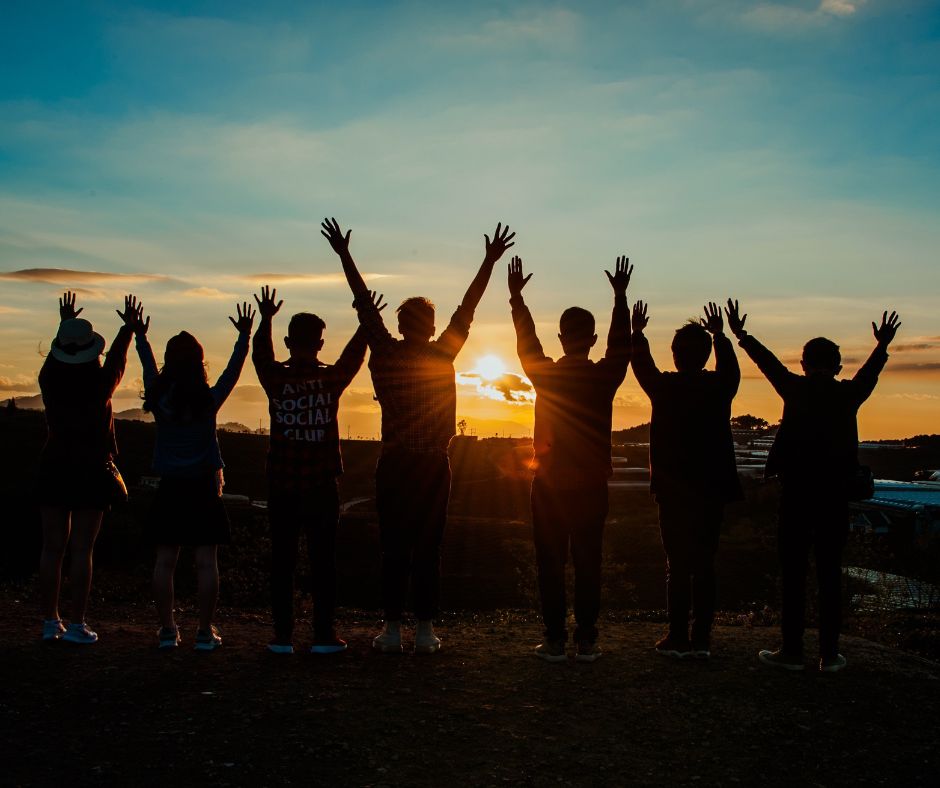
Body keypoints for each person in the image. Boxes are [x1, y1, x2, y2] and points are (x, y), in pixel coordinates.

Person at [322, 217, 515, 654]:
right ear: (429, 326)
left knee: (393, 547)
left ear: (402, 323)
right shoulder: (442, 352)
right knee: (429, 547)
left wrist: (344, 255)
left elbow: (363, 305)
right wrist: (488, 260)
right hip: (431, 465)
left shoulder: (385, 353)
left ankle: (391, 629)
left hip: (394, 463)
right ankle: (425, 630)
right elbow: (468, 307)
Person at [727, 300, 901, 673]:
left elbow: (768, 363)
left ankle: (791, 651)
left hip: (796, 495)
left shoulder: (795, 389)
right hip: (835, 496)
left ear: (803, 364)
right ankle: (829, 653)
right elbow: (869, 373)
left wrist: (742, 335)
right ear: (838, 366)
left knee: (793, 572)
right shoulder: (847, 395)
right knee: (830, 573)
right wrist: (882, 345)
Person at [508, 254, 632, 662]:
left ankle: (556, 639)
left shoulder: (546, 374)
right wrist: (620, 298)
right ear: (591, 338)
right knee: (588, 562)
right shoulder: (604, 376)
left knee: (550, 563)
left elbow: (527, 344)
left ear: (561, 338)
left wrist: (517, 300)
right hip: (592, 485)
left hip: (548, 484)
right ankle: (587, 639)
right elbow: (621, 347)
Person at [252, 285, 385, 655]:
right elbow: (353, 358)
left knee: (282, 561)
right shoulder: (330, 380)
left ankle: (282, 636)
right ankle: (324, 634)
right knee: (324, 562)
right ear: (320, 343)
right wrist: (365, 321)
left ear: (289, 341)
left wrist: (264, 319)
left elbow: (260, 355)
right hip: (321, 487)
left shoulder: (275, 379)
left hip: (281, 484)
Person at [135, 301, 255, 651]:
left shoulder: (159, 398)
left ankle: (168, 630)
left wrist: (141, 336)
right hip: (204, 487)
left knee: (165, 561)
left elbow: (147, 366)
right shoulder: (208, 400)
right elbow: (232, 372)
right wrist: (244, 337)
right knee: (206, 563)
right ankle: (204, 631)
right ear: (199, 363)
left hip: (170, 487)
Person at [631, 301, 742, 659]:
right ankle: (702, 639)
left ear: (675, 354)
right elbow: (732, 371)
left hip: (673, 491)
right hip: (711, 490)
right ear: (706, 355)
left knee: (677, 565)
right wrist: (721, 336)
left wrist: (637, 333)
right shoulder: (719, 387)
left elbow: (641, 365)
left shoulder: (665, 388)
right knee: (705, 563)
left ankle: (677, 637)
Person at [37, 291, 140, 644]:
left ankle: (50, 621)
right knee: (83, 549)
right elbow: (118, 361)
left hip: (54, 463)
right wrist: (128, 328)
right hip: (92, 467)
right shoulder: (100, 384)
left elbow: (60, 356)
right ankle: (78, 622)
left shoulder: (49, 378)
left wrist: (64, 323)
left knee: (52, 548)